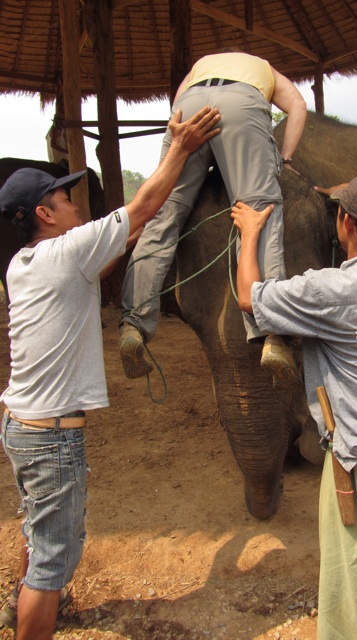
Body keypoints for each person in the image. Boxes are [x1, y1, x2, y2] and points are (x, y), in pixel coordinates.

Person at [0, 105, 220, 640]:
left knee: (40, 530)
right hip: (51, 437)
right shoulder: (66, 253)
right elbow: (143, 206)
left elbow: (109, 251)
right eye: (65, 198)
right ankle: (34, 613)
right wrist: (182, 147)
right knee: (54, 560)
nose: (75, 205)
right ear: (44, 214)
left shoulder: (25, 263)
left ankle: (21, 603)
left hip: (21, 427)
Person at [231, 172, 357, 640]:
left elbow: (249, 298)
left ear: (344, 223)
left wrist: (251, 235)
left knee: (350, 572)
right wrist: (346, 196)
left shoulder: (328, 292)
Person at [119, 49, 307, 386]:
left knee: (164, 214)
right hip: (242, 106)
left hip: (190, 107)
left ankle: (134, 322)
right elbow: (297, 106)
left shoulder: (197, 68)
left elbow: (175, 109)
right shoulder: (264, 68)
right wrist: (286, 157)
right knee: (259, 210)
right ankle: (273, 334)